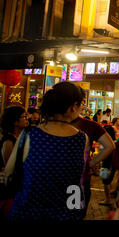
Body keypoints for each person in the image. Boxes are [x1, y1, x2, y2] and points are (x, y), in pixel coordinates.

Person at [5, 82, 89, 220]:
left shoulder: (29, 134)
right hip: (65, 214)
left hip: (27, 212)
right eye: (81, 104)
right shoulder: (81, 139)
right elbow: (76, 181)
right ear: (73, 107)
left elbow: (9, 172)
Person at [72, 110, 115, 217]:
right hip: (77, 184)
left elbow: (110, 146)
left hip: (75, 184)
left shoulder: (88, 125)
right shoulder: (88, 125)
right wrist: (90, 164)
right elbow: (110, 146)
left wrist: (90, 164)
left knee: (73, 213)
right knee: (74, 214)